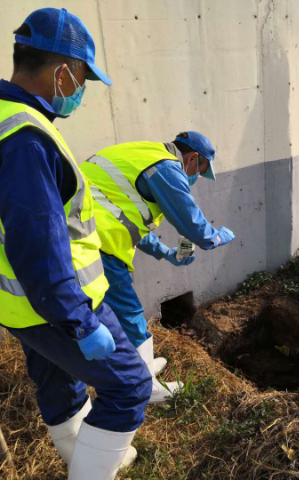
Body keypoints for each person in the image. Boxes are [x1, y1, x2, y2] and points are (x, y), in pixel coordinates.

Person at [0, 8, 151, 479]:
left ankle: (81, 457)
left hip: (17, 305)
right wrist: (79, 321)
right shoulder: (28, 140)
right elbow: (38, 247)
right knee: (130, 387)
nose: (81, 91)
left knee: (58, 382)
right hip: (55, 304)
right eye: (83, 78)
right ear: (62, 71)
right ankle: (91, 470)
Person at [80, 132, 235, 404]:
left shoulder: (146, 156)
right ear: (192, 159)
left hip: (89, 234)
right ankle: (146, 387)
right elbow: (194, 228)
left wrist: (167, 253)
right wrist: (217, 236)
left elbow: (129, 220)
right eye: (200, 171)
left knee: (119, 314)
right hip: (95, 243)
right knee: (130, 314)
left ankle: (141, 367)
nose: (196, 177)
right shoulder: (166, 168)